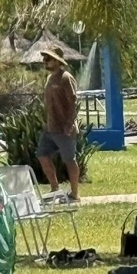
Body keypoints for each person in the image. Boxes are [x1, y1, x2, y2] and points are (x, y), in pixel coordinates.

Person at [38, 46, 80, 202]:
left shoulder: (66, 77)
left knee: (69, 159)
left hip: (64, 129)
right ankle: (55, 189)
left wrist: (69, 124)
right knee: (42, 155)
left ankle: (75, 193)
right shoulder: (49, 79)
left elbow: (73, 103)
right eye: (44, 59)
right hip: (50, 128)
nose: (44, 61)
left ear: (57, 61)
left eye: (48, 59)